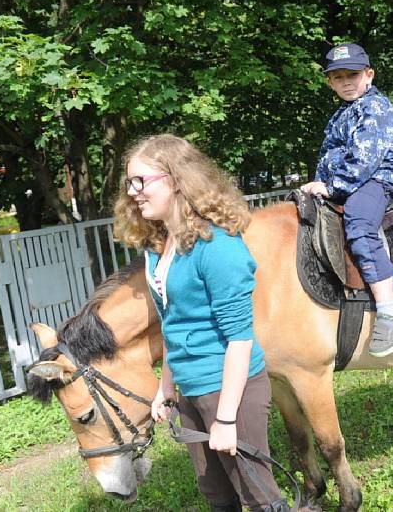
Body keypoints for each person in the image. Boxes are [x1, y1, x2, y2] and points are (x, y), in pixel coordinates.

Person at [113, 134, 289, 512]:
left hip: (230, 392)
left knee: (259, 497)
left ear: (176, 180)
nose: (134, 192)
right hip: (190, 392)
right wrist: (166, 389)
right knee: (217, 496)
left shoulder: (218, 247)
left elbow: (239, 340)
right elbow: (173, 326)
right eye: (130, 183)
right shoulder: (159, 248)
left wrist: (226, 418)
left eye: (141, 181)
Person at [300, 42, 393, 358]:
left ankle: (388, 310)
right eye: (338, 77)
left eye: (353, 75)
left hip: (372, 183)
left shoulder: (377, 110)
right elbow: (327, 154)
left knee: (359, 225)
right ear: (330, 82)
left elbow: (365, 159)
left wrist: (332, 186)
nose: (346, 82)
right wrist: (319, 183)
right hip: (340, 183)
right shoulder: (339, 115)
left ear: (369, 75)